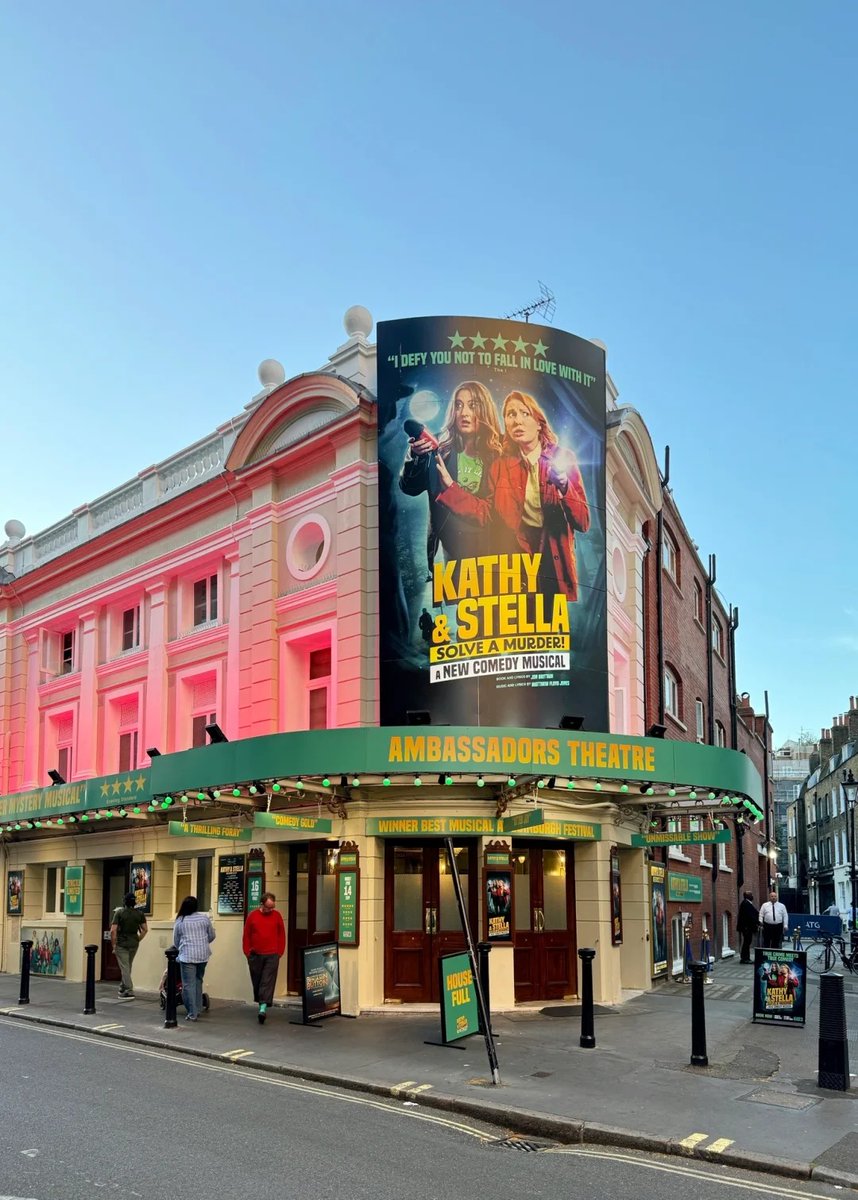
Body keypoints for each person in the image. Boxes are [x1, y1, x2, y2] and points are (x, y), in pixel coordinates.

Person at [436, 390, 590, 600]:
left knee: (550, 631)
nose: (517, 420)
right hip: (516, 568)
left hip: (551, 564)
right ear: (506, 424)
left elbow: (583, 521)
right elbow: (486, 513)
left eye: (524, 413)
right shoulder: (500, 466)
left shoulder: (563, 457)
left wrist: (564, 486)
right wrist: (451, 487)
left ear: (539, 423)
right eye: (510, 414)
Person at [399, 380, 504, 576]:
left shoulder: (501, 451)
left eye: (472, 405)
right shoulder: (439, 447)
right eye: (458, 405)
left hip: (493, 554)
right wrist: (416, 456)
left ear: (485, 410)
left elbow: (500, 513)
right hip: (451, 552)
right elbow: (409, 487)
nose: (464, 412)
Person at [242, 891, 286, 1024]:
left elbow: (281, 934)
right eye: (268, 907)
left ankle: (262, 1009)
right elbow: (246, 935)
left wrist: (279, 952)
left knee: (267, 981)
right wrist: (247, 953)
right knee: (257, 981)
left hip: (272, 955)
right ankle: (261, 1003)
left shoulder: (277, 916)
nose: (270, 910)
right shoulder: (252, 916)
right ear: (262, 904)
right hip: (255, 955)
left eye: (272, 907)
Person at [173, 895, 215, 1022]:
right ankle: (198, 1008)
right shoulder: (204, 918)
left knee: (188, 985)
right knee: (198, 981)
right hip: (203, 955)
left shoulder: (180, 921)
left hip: (187, 956)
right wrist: (201, 942)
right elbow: (212, 936)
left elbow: (176, 941)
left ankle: (192, 1013)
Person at [110, 891, 148, 999]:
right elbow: (145, 929)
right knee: (128, 966)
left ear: (124, 902)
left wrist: (114, 945)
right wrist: (137, 939)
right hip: (134, 943)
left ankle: (128, 990)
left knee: (125, 967)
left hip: (122, 943)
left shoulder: (119, 913)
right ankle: (122, 987)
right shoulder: (140, 914)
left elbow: (113, 930)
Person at [736, 890, 759, 963]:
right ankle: (745, 958)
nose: (752, 896)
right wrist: (758, 922)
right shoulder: (746, 903)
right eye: (751, 895)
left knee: (747, 942)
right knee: (747, 942)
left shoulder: (747, 903)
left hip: (746, 927)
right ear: (747, 896)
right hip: (746, 927)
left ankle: (745, 958)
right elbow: (750, 916)